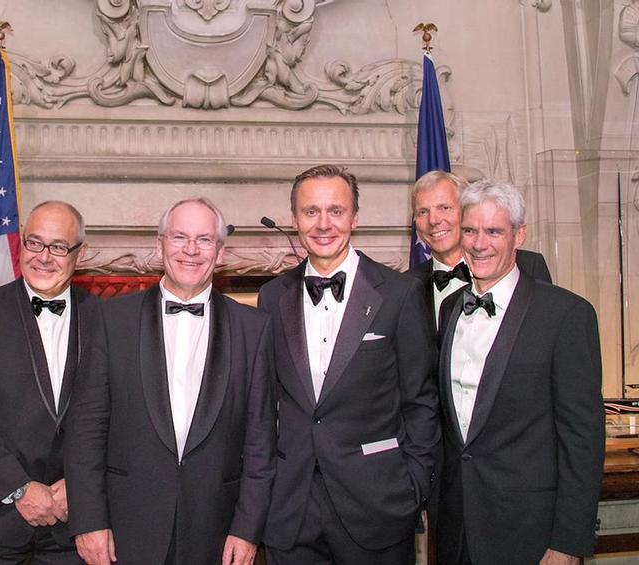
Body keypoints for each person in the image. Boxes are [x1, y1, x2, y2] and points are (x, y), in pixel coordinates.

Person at [66, 197, 276, 565]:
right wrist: (89, 521)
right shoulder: (112, 320)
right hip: (124, 530)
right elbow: (86, 430)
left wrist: (247, 528)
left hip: (217, 531)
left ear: (221, 251)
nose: (191, 250)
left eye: (205, 240)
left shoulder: (254, 329)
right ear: (158, 244)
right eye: (179, 237)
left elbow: (260, 442)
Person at [259, 165, 439, 564]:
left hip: (378, 508)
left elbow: (420, 402)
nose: (323, 224)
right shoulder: (272, 297)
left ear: (355, 217)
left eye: (336, 211)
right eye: (311, 212)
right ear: (295, 218)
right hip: (291, 512)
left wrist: (413, 488)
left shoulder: (400, 293)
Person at [434, 180, 604, 565]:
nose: (479, 244)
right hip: (456, 530)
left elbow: (582, 440)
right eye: (471, 231)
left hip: (531, 534)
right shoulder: (449, 311)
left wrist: (567, 543)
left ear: (519, 235)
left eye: (494, 231)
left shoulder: (566, 315)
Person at [0, 201, 100, 564]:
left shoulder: (106, 319)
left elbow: (117, 413)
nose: (44, 257)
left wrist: (78, 487)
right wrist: (19, 489)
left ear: (80, 253)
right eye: (34, 243)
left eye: (58, 246)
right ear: (20, 246)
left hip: (74, 525)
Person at [407, 170, 551, 328]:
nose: (433, 220)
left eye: (444, 208)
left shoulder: (529, 265)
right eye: (422, 212)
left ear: (467, 211)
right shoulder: (406, 286)